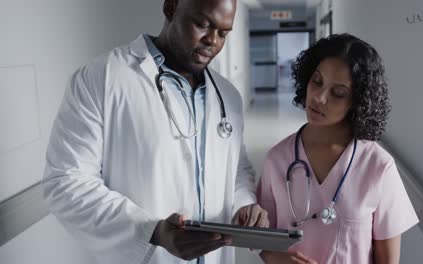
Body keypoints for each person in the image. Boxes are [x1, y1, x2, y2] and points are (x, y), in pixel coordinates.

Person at [42, 0, 268, 263]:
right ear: (171, 8)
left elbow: (237, 167)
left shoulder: (227, 96)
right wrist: (153, 231)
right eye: (203, 25)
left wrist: (244, 204)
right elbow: (66, 182)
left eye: (223, 33)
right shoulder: (103, 78)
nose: (213, 41)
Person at [257, 33, 419, 264]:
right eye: (317, 81)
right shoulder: (277, 159)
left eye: (338, 93)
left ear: (357, 101)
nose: (320, 97)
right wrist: (275, 258)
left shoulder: (378, 166)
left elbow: (388, 260)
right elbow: (262, 239)